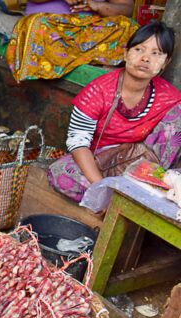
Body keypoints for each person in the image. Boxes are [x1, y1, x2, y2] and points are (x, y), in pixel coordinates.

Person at [48, 21, 181, 202]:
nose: (146, 58)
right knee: (60, 173)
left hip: (143, 168)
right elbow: (77, 143)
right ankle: (121, 201)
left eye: (156, 53)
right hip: (101, 163)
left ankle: (152, 192)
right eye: (139, 50)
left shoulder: (170, 97)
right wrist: (100, 189)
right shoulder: (98, 91)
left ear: (165, 62)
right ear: (126, 53)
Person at [6, 0, 137, 82]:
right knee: (36, 26)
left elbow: (126, 8)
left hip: (89, 31)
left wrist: (98, 5)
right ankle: (89, 60)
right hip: (51, 26)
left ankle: (81, 59)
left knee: (129, 27)